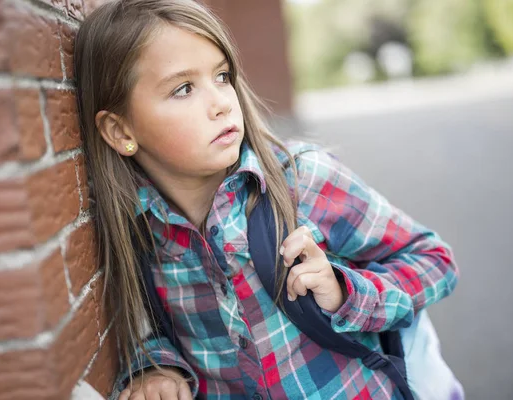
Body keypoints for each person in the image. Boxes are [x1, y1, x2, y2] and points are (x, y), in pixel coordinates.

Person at [73, 1, 463, 398]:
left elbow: (434, 260)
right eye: (184, 88)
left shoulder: (302, 180)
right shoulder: (136, 233)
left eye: (222, 76)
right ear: (120, 131)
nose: (222, 102)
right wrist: (158, 369)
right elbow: (148, 328)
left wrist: (347, 293)